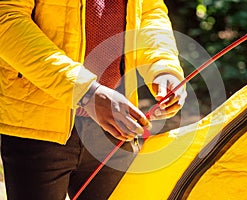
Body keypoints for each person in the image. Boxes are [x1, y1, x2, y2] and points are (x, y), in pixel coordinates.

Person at [0, 0, 187, 199]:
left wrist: (162, 65)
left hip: (115, 127)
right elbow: (6, 18)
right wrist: (86, 92)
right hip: (38, 124)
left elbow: (149, 10)